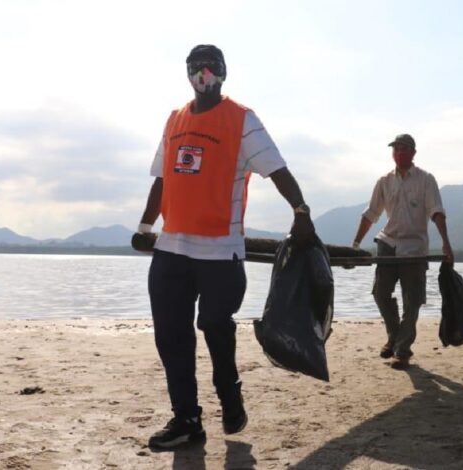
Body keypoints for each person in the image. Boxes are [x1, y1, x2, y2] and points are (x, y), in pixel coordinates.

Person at [136, 44, 315, 448]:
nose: (204, 74)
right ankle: (187, 420)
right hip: (171, 250)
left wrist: (301, 209)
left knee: (215, 323)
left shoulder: (242, 120)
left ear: (223, 73)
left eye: (211, 68)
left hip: (220, 251)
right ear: (187, 74)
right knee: (171, 335)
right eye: (197, 68)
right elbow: (162, 180)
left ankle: (229, 391)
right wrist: (146, 225)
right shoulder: (174, 119)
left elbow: (277, 169)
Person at [351, 134, 454, 369]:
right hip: (388, 244)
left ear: (413, 153)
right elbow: (371, 214)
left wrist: (446, 243)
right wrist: (355, 245)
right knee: (380, 293)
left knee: (413, 301)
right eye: (395, 149)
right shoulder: (384, 181)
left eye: (403, 149)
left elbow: (436, 211)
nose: (398, 153)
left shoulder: (426, 180)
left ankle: (402, 350)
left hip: (415, 248)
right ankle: (394, 335)